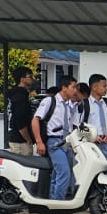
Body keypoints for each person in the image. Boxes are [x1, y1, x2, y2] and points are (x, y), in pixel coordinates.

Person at [32, 75, 81, 203]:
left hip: (66, 143)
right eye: (73, 87)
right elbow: (35, 119)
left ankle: (54, 203)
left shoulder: (70, 105)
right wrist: (39, 141)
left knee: (58, 173)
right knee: (64, 173)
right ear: (64, 88)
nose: (75, 90)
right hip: (54, 141)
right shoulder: (50, 101)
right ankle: (59, 205)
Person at [86, 74, 107, 169]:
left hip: (106, 143)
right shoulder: (85, 104)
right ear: (94, 87)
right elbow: (79, 126)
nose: (106, 89)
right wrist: (92, 136)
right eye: (104, 86)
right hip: (91, 144)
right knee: (93, 170)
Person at [6, 67, 35, 154]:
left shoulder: (13, 94)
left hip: (13, 136)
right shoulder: (21, 96)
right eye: (30, 77)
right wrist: (28, 139)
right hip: (20, 141)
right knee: (27, 166)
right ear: (22, 79)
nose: (32, 79)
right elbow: (20, 121)